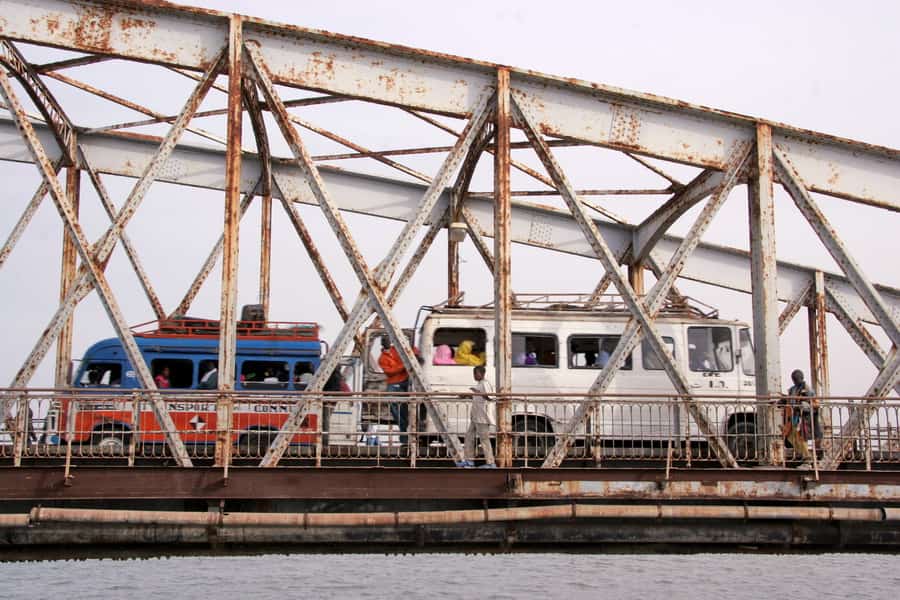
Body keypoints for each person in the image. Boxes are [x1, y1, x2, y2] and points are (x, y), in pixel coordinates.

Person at [459, 365, 495, 468]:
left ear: (482, 374)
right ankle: (469, 461)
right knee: (469, 437)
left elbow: (490, 397)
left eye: (476, 373)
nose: (474, 375)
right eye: (474, 373)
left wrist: (476, 392)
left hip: (482, 417)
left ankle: (490, 463)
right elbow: (479, 397)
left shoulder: (485, 384)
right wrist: (467, 395)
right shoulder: (479, 384)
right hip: (476, 417)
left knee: (484, 440)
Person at [378, 336, 410, 444]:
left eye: (387, 340)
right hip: (394, 384)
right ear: (382, 344)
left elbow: (408, 352)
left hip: (405, 382)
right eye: (385, 341)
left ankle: (408, 436)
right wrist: (403, 366)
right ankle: (404, 438)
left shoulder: (396, 350)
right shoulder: (382, 358)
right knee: (397, 412)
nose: (387, 342)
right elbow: (390, 372)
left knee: (405, 412)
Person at [782, 369, 818, 461]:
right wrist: (784, 400)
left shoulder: (807, 389)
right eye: (794, 379)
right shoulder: (793, 389)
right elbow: (790, 400)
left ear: (801, 378)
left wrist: (803, 403)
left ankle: (807, 457)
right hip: (794, 417)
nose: (795, 380)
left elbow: (815, 403)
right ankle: (804, 454)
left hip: (803, 417)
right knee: (790, 436)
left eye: (796, 378)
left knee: (801, 437)